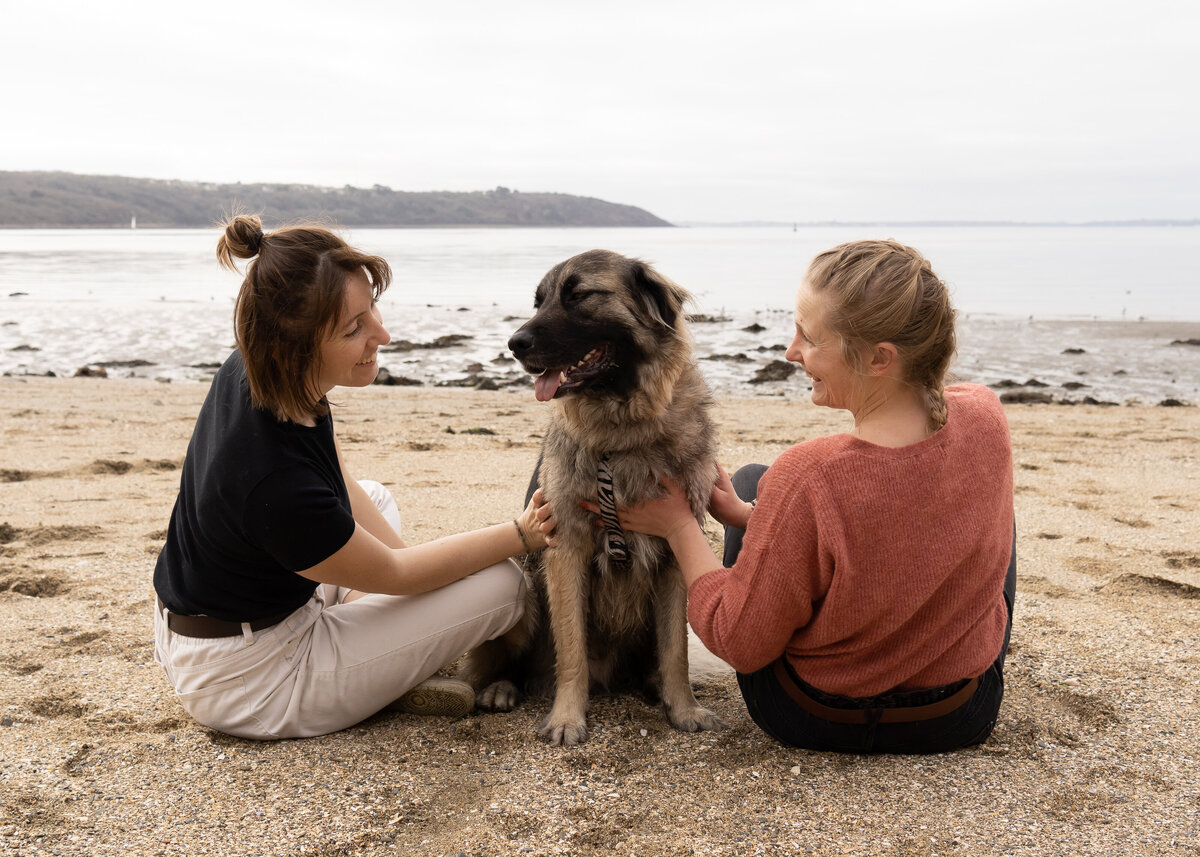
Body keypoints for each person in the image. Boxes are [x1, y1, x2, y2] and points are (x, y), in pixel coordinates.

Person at [152, 214, 554, 740]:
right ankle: (383, 673)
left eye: (372, 311)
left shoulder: (260, 368)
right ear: (293, 346)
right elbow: (397, 572)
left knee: (374, 498)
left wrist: (415, 596)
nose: (382, 335)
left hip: (236, 619)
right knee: (505, 586)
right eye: (354, 328)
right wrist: (517, 535)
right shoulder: (275, 483)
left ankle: (386, 663)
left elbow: (341, 482)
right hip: (254, 680)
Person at [609, 239, 1016, 754]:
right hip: (958, 714)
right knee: (978, 495)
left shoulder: (808, 475)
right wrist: (746, 516)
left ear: (878, 358)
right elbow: (898, 516)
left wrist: (679, 528)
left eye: (809, 336)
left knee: (766, 479)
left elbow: (737, 642)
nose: (790, 351)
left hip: (815, 717)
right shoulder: (984, 414)